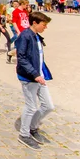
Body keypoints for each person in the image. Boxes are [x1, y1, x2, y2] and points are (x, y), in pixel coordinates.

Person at [16, 12, 54, 150]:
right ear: (34, 23)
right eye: (44, 25)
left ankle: (32, 127)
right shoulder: (25, 36)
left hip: (39, 76)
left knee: (48, 106)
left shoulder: (36, 36)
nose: (45, 27)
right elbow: (22, 58)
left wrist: (41, 74)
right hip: (29, 77)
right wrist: (34, 74)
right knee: (31, 106)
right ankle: (24, 134)